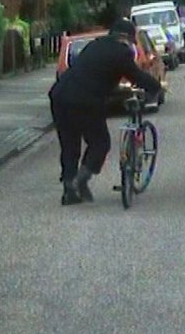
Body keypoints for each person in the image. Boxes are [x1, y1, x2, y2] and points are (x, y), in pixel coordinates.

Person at [49, 18, 162, 205]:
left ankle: (69, 190)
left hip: (60, 95)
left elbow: (94, 73)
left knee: (69, 145)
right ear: (127, 38)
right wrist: (155, 88)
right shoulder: (121, 53)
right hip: (85, 100)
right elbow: (136, 75)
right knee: (100, 143)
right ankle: (80, 180)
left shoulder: (95, 45)